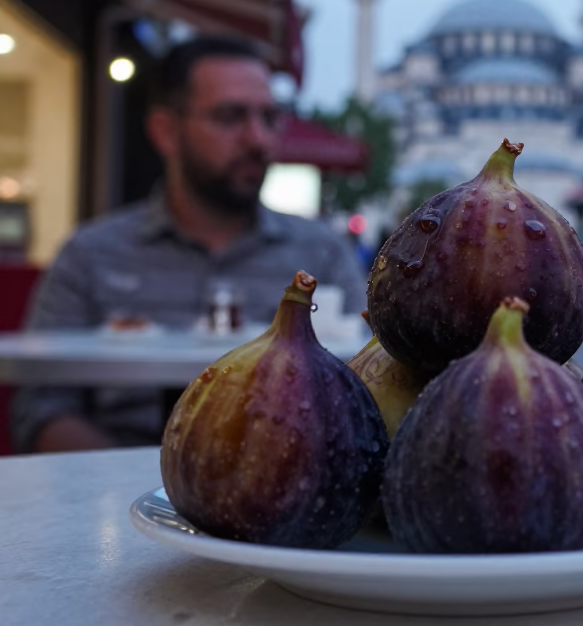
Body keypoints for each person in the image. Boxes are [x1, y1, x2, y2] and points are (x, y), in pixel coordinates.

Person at [11, 36, 366, 453]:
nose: (258, 139)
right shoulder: (92, 253)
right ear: (165, 130)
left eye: (270, 117)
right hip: (114, 484)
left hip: (282, 482)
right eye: (231, 116)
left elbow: (365, 390)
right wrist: (134, 481)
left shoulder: (320, 252)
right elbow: (40, 406)